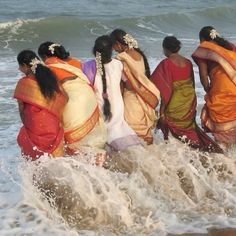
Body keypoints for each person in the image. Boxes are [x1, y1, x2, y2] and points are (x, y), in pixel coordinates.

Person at [151, 36, 223, 153]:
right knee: (189, 134)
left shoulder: (166, 64)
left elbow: (165, 91)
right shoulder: (188, 63)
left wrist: (162, 112)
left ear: (166, 49)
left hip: (174, 106)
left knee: (173, 140)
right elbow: (191, 86)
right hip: (188, 105)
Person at [38, 42, 106, 160]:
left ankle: (94, 156)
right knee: (86, 136)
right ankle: (95, 156)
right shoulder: (73, 62)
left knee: (70, 140)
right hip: (88, 95)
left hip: (73, 98)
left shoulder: (47, 68)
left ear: (44, 57)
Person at [82, 35, 141, 152]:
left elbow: (86, 89)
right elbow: (128, 84)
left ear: (95, 50)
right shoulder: (118, 64)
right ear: (111, 50)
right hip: (117, 107)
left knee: (103, 133)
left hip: (100, 107)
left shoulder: (87, 66)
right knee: (118, 128)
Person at [14, 50, 67, 159]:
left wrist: (28, 129)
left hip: (36, 127)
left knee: (25, 140)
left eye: (20, 66)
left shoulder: (24, 83)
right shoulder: (50, 77)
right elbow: (65, 97)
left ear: (25, 66)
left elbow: (21, 110)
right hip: (53, 127)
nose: (19, 69)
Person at [110, 29, 160, 144]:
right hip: (143, 98)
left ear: (118, 44)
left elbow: (127, 83)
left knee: (133, 133)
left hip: (131, 99)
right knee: (145, 134)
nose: (113, 49)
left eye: (114, 46)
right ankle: (154, 158)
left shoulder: (121, 58)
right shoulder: (139, 55)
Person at [192, 26, 236, 147]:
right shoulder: (230, 47)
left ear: (202, 39)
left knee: (219, 123)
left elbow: (203, 77)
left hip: (221, 89)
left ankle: (226, 156)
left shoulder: (205, 49)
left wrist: (208, 90)